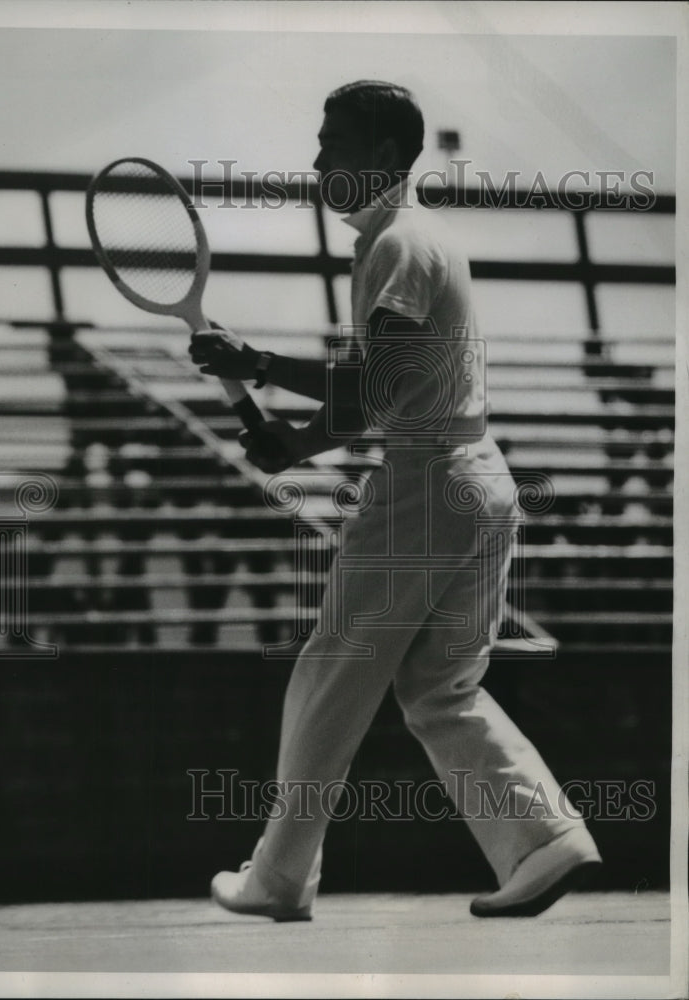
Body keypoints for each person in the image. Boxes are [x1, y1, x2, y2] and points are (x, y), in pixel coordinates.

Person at [189, 80, 601, 919]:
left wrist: (260, 364)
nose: (316, 162)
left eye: (331, 143)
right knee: (439, 689)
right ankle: (543, 841)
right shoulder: (412, 237)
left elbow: (380, 382)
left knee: (331, 672)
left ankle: (277, 877)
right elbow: (391, 389)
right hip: (475, 480)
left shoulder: (401, 243)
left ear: (381, 156)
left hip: (428, 491)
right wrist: (296, 440)